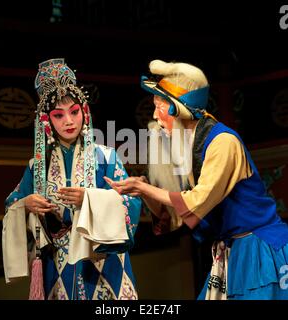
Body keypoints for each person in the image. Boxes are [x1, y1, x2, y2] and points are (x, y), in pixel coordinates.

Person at [104, 59, 288, 300]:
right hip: (231, 252)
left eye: (160, 107)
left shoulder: (223, 142)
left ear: (178, 108)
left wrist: (145, 187)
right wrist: (143, 190)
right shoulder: (186, 148)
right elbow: (173, 218)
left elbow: (197, 201)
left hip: (258, 250)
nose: (155, 117)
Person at [2, 58, 141, 300]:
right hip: (57, 262)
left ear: (84, 112)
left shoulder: (106, 156)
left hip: (103, 260)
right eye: (59, 115)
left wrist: (90, 200)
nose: (69, 121)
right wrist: (25, 205)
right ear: (46, 121)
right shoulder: (38, 166)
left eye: (75, 112)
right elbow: (12, 201)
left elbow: (131, 202)